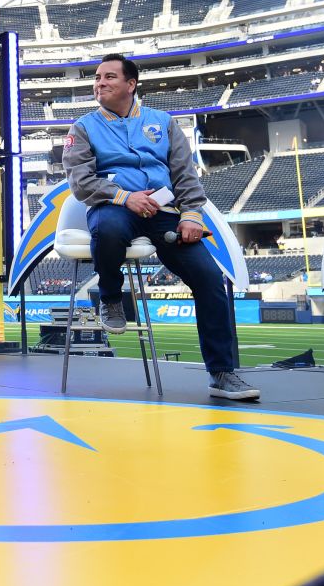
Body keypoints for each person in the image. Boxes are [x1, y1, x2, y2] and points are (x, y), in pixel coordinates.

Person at [64, 53, 259, 401]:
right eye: (97, 77)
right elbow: (81, 183)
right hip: (114, 207)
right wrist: (125, 197)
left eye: (109, 77)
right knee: (107, 228)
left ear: (131, 84)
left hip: (165, 210)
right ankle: (110, 298)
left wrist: (191, 216)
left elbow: (185, 175)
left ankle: (221, 374)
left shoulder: (164, 123)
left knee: (210, 279)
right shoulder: (82, 127)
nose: (100, 83)